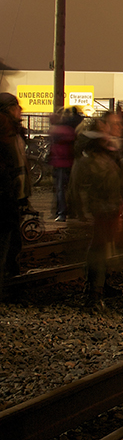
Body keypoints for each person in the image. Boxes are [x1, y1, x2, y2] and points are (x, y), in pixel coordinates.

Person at [70, 112, 123, 308]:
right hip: (99, 210)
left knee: (103, 249)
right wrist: (85, 212)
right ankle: (94, 291)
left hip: (107, 208)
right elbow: (81, 185)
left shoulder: (107, 152)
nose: (116, 129)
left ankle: (99, 286)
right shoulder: (90, 156)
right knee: (98, 250)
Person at [0, 93, 30, 296]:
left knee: (12, 237)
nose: (21, 111)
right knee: (6, 238)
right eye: (17, 107)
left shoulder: (14, 131)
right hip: (5, 193)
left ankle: (10, 277)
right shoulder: (5, 130)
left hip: (13, 191)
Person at [49, 107, 82, 222]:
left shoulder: (59, 130)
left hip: (60, 163)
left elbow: (56, 148)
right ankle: (74, 212)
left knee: (60, 189)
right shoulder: (71, 130)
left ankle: (61, 213)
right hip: (69, 162)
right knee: (70, 188)